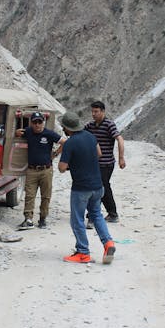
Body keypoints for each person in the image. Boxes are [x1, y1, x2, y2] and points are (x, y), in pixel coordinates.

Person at [58, 111, 116, 264]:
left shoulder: (70, 143)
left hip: (81, 188)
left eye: (63, 127)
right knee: (96, 214)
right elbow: (98, 154)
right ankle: (108, 243)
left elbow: (62, 168)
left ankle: (83, 252)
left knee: (77, 219)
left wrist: (72, 162)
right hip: (98, 186)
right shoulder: (90, 136)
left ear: (67, 128)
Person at [15, 111, 65, 229]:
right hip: (31, 170)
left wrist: (55, 154)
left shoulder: (49, 134)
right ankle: (28, 219)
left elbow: (65, 142)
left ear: (44, 122)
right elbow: (18, 133)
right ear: (31, 123)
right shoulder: (28, 132)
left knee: (46, 196)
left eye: (40, 122)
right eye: (35, 122)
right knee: (30, 195)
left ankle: (42, 219)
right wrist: (17, 132)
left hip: (46, 170)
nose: (37, 124)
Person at [84, 100, 126, 223]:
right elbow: (80, 134)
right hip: (94, 163)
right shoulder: (90, 126)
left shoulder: (109, 124)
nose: (93, 114)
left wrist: (121, 158)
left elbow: (120, 139)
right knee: (99, 187)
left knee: (102, 187)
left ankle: (109, 213)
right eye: (92, 111)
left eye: (96, 111)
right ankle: (104, 213)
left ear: (103, 111)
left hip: (106, 164)